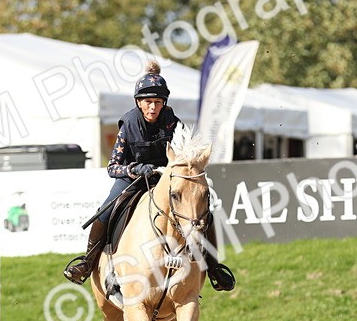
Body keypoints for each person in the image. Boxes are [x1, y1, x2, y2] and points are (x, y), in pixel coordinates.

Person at [63, 61, 235, 291]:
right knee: (104, 212)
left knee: (204, 213)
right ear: (138, 103)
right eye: (148, 102)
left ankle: (213, 267)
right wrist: (134, 169)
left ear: (164, 103)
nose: (153, 108)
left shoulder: (173, 123)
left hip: (167, 180)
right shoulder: (128, 125)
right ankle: (87, 262)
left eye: (157, 102)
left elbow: (185, 158)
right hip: (132, 179)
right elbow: (113, 166)